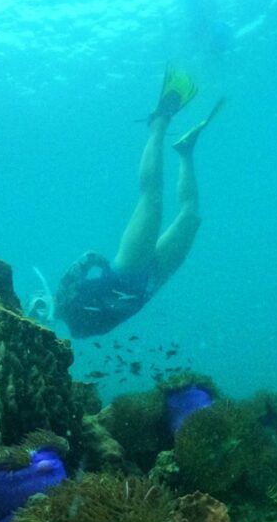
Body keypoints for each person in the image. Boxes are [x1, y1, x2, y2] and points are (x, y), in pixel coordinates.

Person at [53, 67, 224, 338]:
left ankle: (159, 122)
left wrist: (88, 260)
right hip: (151, 284)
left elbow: (67, 285)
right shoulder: (69, 325)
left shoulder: (60, 309)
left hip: (127, 271)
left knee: (152, 199)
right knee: (192, 217)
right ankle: (185, 151)